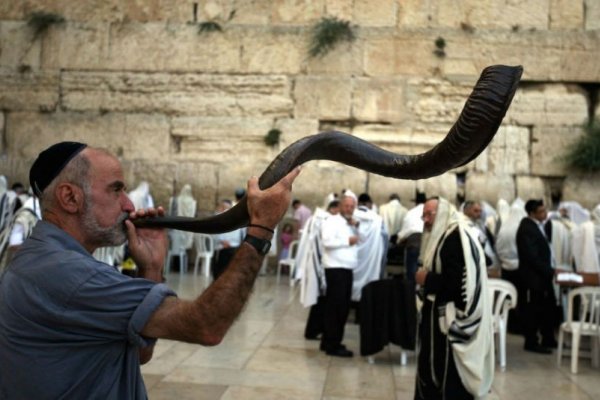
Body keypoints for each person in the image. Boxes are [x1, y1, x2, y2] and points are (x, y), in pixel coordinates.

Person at [0, 141, 300, 399]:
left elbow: (139, 354)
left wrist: (152, 266)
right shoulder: (70, 275)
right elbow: (207, 326)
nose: (130, 205)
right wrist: (261, 228)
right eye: (116, 190)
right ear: (70, 198)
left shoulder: (43, 260)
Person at [415, 197, 494, 400]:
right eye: (423, 215)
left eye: (429, 214)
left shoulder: (454, 238)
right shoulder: (445, 234)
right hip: (438, 317)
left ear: (441, 214)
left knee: (445, 377)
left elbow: (457, 283)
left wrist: (427, 279)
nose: (425, 220)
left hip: (448, 320)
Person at [319, 193, 360, 357]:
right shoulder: (331, 221)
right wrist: (347, 241)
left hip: (345, 269)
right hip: (336, 270)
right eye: (346, 206)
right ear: (340, 206)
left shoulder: (348, 223)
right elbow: (327, 242)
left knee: (338, 308)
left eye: (352, 206)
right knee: (338, 309)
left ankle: (329, 341)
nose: (349, 209)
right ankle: (333, 345)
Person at [516, 199, 557, 354]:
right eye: (541, 211)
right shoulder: (527, 228)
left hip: (541, 277)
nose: (545, 214)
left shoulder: (538, 226)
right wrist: (549, 270)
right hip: (533, 279)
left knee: (545, 309)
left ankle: (548, 338)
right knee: (533, 311)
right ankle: (531, 341)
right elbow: (531, 256)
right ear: (532, 213)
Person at [212, 199, 246, 280]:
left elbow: (239, 235)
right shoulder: (217, 217)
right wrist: (222, 241)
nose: (224, 210)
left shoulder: (236, 218)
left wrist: (231, 243)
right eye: (223, 207)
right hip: (221, 247)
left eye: (227, 208)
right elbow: (215, 233)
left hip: (233, 247)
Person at [462, 200, 496, 267]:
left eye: (480, 211)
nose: (479, 214)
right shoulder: (464, 226)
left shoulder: (478, 224)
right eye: (476, 211)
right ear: (466, 211)